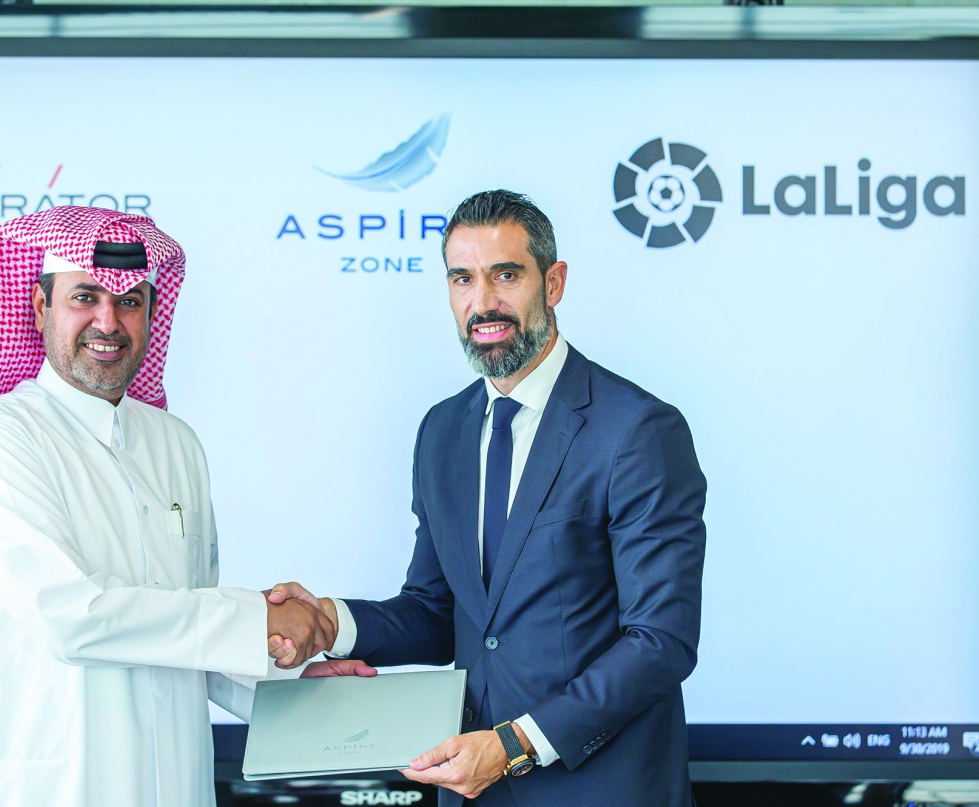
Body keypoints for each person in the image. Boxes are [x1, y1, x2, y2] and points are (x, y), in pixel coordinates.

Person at [272, 190, 707, 806]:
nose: (484, 303)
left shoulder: (636, 431)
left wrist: (512, 745)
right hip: (472, 793)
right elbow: (438, 612)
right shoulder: (442, 431)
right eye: (462, 279)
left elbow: (660, 641)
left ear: (553, 283)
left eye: (506, 275)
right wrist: (329, 623)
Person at [0, 206, 332, 806]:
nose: (109, 320)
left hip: (170, 783)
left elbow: (187, 629)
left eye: (130, 301)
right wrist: (253, 622)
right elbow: (74, 616)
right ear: (38, 307)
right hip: (42, 785)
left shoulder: (175, 443)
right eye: (86, 296)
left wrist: (291, 677)